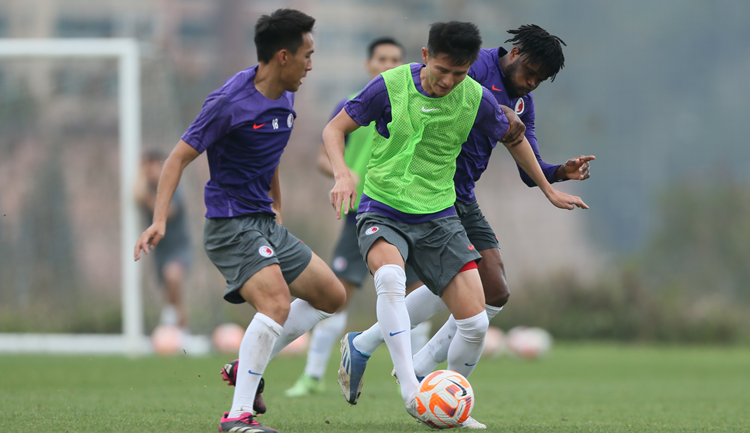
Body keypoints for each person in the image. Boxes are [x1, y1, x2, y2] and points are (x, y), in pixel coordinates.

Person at [324, 21, 586, 425]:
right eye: (530, 72)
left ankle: (424, 382)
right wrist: (342, 173)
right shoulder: (453, 72)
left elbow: (520, 145)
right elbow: (336, 127)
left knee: (488, 302)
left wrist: (553, 180)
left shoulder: (496, 98)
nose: (449, 81)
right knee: (395, 278)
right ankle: (413, 383)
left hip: (450, 201)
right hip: (395, 201)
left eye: (540, 80)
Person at [134, 9, 346, 433]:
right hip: (230, 225)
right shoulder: (228, 102)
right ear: (283, 56)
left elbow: (269, 155)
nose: (311, 64)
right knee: (277, 304)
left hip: (264, 222)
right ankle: (237, 416)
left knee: (331, 296)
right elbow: (177, 159)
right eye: (307, 55)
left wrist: (277, 205)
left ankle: (246, 364)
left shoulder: (286, 97)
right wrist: (158, 220)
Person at [284, 37, 429, 398]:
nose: (388, 65)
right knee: (336, 296)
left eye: (395, 59)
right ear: (369, 64)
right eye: (382, 58)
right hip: (362, 214)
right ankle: (313, 375)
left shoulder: (417, 106)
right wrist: (343, 173)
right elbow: (324, 156)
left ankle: (420, 376)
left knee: (420, 296)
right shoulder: (352, 107)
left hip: (410, 215)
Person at [134, 150, 192, 332]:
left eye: (152, 166)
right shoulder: (145, 190)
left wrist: (146, 197)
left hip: (179, 247)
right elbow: (136, 194)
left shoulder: (170, 188)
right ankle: (179, 327)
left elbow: (171, 211)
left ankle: (172, 318)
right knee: (170, 291)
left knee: (172, 276)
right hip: (159, 251)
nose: (149, 171)